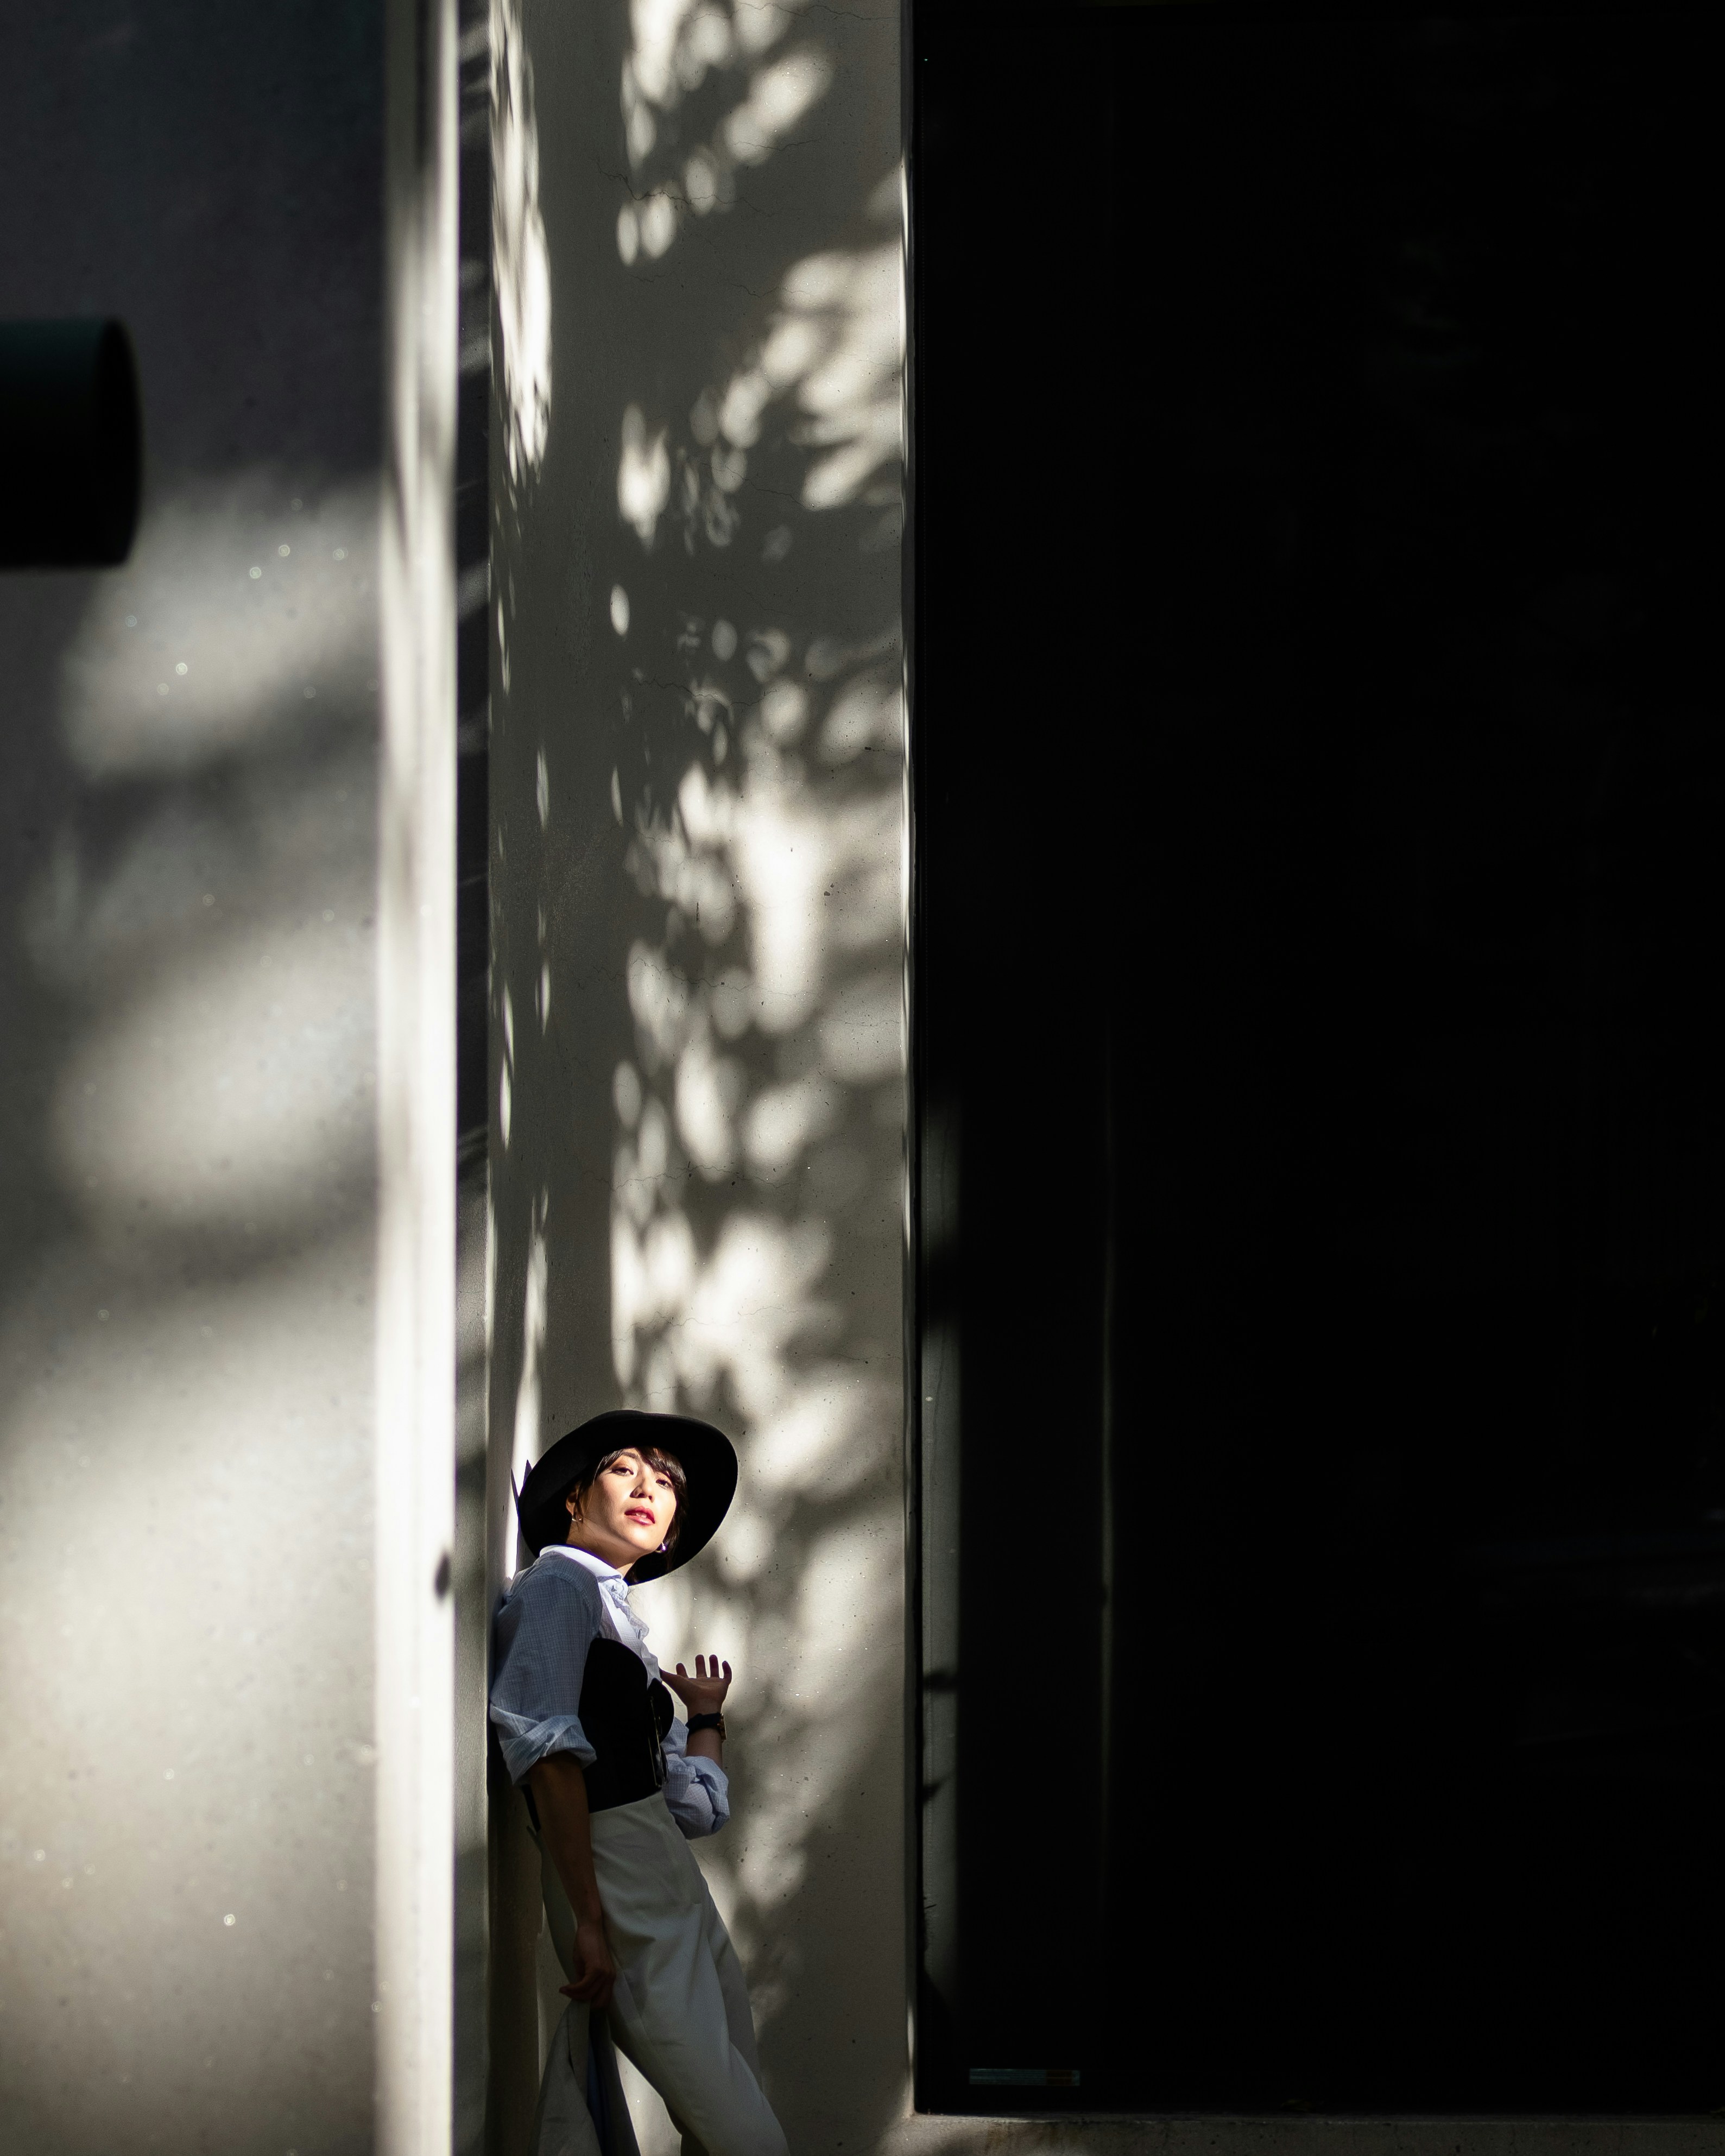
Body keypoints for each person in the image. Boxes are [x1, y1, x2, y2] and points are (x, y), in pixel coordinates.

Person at [490, 1408, 788, 2156]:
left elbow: (694, 1810)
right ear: (572, 1498)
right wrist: (587, 1916)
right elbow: (545, 1753)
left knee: (727, 2108)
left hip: (660, 1868)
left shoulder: (617, 1621)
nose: (646, 1486)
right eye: (623, 1469)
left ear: (669, 1536)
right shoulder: (559, 1587)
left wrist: (707, 1720)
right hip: (612, 1872)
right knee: (745, 2138)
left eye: (664, 1482)